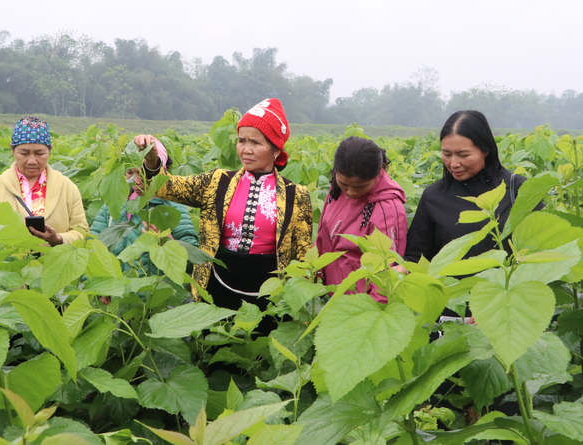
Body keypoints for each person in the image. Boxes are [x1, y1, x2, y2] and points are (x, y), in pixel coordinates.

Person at [134, 98, 313, 321]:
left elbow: (303, 254)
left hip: (271, 294)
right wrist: (152, 162)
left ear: (276, 149)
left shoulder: (297, 194)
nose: (246, 149)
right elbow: (168, 187)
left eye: (256, 143)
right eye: (241, 140)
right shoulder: (218, 182)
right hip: (217, 286)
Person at [405, 110, 536, 264]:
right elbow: (416, 258)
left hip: (506, 286)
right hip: (451, 288)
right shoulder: (433, 196)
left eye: (463, 155)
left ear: (485, 150)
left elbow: (541, 246)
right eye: (447, 154)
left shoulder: (519, 189)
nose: (453, 164)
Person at [315, 137, 407, 302]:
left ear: (378, 172)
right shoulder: (336, 191)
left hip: (358, 303)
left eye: (360, 187)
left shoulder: (388, 208)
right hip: (328, 293)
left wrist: (368, 312)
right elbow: (322, 239)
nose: (350, 192)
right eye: (344, 184)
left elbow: (387, 274)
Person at [90, 138, 199, 274]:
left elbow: (193, 263)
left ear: (160, 171)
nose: (136, 181)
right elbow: (93, 248)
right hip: (116, 291)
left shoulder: (172, 207)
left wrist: (167, 242)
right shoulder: (113, 206)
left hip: (154, 291)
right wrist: (101, 290)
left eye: (144, 173)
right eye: (130, 172)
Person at [0, 116, 88, 245]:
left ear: (49, 151)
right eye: (24, 153)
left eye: (40, 153)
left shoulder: (67, 187)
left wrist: (59, 239)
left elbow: (82, 232)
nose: (32, 161)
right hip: (6, 264)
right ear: (13, 150)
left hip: (51, 263)